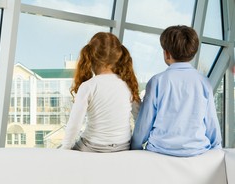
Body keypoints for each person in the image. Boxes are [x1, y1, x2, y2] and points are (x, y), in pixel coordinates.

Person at [131, 25, 222, 156]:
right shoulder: (204, 82)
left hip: (160, 152)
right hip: (196, 152)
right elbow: (212, 123)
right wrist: (216, 147)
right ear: (193, 52)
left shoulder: (157, 81)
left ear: (167, 53)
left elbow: (144, 124)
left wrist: (135, 147)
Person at [61, 32, 140, 152]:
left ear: (90, 56)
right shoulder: (128, 85)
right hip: (123, 146)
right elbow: (139, 116)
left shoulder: (88, 86)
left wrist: (65, 149)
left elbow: (74, 125)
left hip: (91, 146)